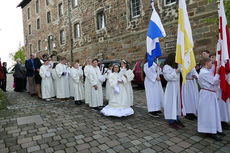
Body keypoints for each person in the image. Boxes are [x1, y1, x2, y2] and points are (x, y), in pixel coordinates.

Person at [198, 58, 223, 141]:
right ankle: (211, 131)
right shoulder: (204, 72)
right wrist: (218, 73)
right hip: (207, 95)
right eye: (211, 63)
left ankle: (214, 128)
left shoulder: (206, 71)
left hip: (209, 94)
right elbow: (214, 81)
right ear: (206, 63)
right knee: (209, 113)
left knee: (213, 112)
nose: (212, 64)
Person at [163, 53, 185, 130]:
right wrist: (176, 71)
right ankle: (172, 120)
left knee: (177, 103)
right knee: (172, 103)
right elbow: (168, 77)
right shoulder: (166, 67)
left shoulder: (175, 66)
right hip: (171, 88)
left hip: (177, 87)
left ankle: (177, 118)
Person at [143, 53, 164, 118]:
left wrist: (158, 67)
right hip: (150, 82)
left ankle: (157, 108)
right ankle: (152, 110)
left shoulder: (154, 63)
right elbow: (148, 73)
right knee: (152, 96)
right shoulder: (146, 64)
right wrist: (155, 77)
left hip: (156, 82)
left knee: (157, 95)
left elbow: (159, 71)